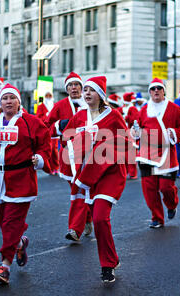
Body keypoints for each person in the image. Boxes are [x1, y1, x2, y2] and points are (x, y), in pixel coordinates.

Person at [0, 83, 52, 284]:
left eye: (12, 98)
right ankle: (20, 243)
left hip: (21, 180)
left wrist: (40, 158)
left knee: (11, 223)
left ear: (18, 102)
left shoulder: (31, 122)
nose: (8, 102)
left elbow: (45, 143)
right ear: (0, 102)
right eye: (4, 98)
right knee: (5, 223)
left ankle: (4, 266)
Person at [62, 76, 128, 282]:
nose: (87, 93)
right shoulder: (79, 117)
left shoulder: (113, 116)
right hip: (87, 176)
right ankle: (112, 259)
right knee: (97, 218)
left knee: (100, 217)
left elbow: (123, 142)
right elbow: (67, 139)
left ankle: (107, 264)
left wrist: (101, 149)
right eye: (85, 90)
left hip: (109, 174)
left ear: (100, 94)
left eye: (91, 90)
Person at [132, 78, 180, 228]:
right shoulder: (143, 110)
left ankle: (172, 204)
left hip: (166, 154)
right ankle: (157, 217)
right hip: (146, 154)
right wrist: (135, 133)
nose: (156, 91)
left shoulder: (174, 108)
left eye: (159, 88)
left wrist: (173, 133)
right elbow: (136, 129)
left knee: (166, 187)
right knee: (149, 188)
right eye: (153, 89)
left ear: (164, 90)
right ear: (150, 92)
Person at [46, 72, 93, 241]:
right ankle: (87, 217)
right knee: (77, 189)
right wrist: (59, 126)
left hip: (89, 155)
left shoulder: (91, 104)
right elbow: (47, 126)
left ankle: (75, 229)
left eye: (77, 85)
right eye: (70, 85)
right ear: (66, 89)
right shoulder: (59, 106)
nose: (74, 88)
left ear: (82, 88)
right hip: (67, 155)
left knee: (78, 190)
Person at [121, 92, 140, 179]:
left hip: (130, 132)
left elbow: (135, 120)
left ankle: (133, 173)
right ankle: (126, 171)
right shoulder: (122, 108)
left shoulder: (132, 109)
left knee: (131, 153)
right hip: (122, 132)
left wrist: (127, 118)